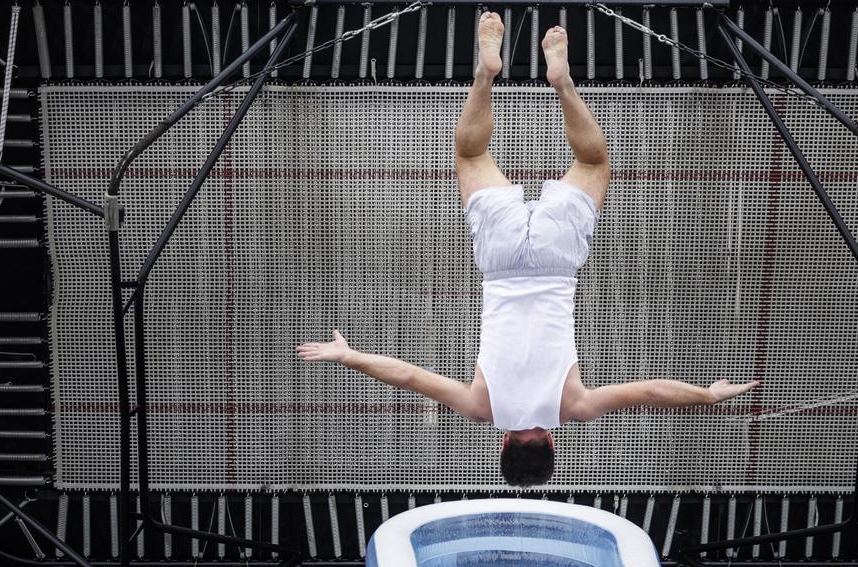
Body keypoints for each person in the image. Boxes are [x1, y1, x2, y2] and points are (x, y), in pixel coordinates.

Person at [298, 15, 760, 487]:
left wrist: (705, 395)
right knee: (472, 157)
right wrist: (348, 356)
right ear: (503, 444)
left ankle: (562, 82)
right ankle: (484, 75)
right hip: (499, 266)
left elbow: (649, 391)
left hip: (557, 264)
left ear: (552, 445)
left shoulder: (572, 407)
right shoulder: (483, 407)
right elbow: (411, 378)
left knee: (593, 161)